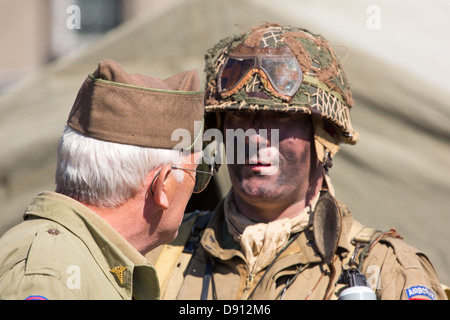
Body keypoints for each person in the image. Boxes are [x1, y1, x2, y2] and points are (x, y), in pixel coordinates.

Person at [151, 23, 447, 300]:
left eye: (280, 117)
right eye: (240, 116)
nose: (254, 137)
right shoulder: (160, 249)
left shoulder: (385, 269)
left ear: (323, 136)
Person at [0, 59, 213, 300]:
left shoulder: (80, 263)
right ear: (162, 185)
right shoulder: (51, 279)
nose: (195, 186)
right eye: (197, 172)